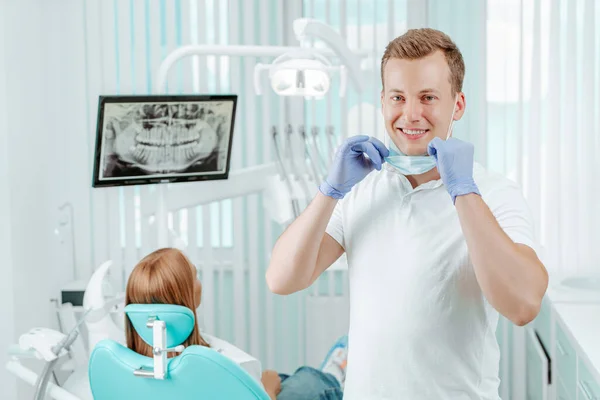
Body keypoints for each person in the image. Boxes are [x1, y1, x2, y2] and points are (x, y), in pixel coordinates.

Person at [266, 28, 549, 399]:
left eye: (428, 97)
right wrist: (329, 191)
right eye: (398, 97)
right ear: (383, 102)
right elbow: (282, 279)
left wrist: (463, 192)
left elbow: (524, 305)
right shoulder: (361, 189)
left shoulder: (493, 194)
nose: (411, 114)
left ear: (458, 105)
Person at [125, 247, 346, 400]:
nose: (199, 282)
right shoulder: (214, 366)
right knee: (308, 382)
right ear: (185, 296)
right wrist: (268, 388)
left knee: (287, 378)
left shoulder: (130, 366)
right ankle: (337, 375)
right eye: (196, 276)